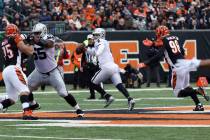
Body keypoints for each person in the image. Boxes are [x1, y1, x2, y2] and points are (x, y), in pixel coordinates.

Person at [138, 25, 208, 111]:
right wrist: (153, 44)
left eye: (157, 34)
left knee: (177, 92)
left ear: (160, 33)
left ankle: (198, 91)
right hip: (184, 63)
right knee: (187, 87)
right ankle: (199, 105)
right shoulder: (175, 38)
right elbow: (180, 50)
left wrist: (146, 63)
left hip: (177, 67)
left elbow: (159, 55)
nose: (157, 36)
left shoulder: (163, 40)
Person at [25, 23, 84, 117]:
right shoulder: (32, 40)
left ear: (43, 31)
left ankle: (78, 109)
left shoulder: (49, 37)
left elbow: (48, 44)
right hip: (38, 71)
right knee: (25, 89)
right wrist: (26, 41)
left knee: (63, 93)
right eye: (34, 33)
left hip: (52, 72)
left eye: (38, 33)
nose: (35, 34)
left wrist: (35, 41)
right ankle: (33, 104)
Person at [82, 28, 135, 111]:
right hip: (114, 67)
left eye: (96, 35)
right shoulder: (103, 42)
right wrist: (86, 49)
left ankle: (107, 96)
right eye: (94, 35)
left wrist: (96, 55)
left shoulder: (101, 42)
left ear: (101, 35)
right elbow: (94, 51)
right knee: (119, 85)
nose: (95, 36)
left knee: (92, 83)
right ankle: (130, 99)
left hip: (105, 67)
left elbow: (99, 49)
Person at [0, 24, 37, 119]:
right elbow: (26, 50)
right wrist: (31, 44)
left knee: (12, 99)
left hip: (6, 70)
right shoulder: (15, 37)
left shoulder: (3, 41)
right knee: (24, 90)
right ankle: (27, 112)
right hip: (14, 68)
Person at [80, 34, 104, 99]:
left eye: (92, 39)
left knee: (97, 80)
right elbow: (83, 57)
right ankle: (92, 95)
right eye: (89, 39)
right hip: (88, 66)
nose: (91, 41)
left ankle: (103, 94)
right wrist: (81, 66)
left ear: (94, 40)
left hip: (95, 65)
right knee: (89, 81)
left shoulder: (97, 47)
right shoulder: (86, 47)